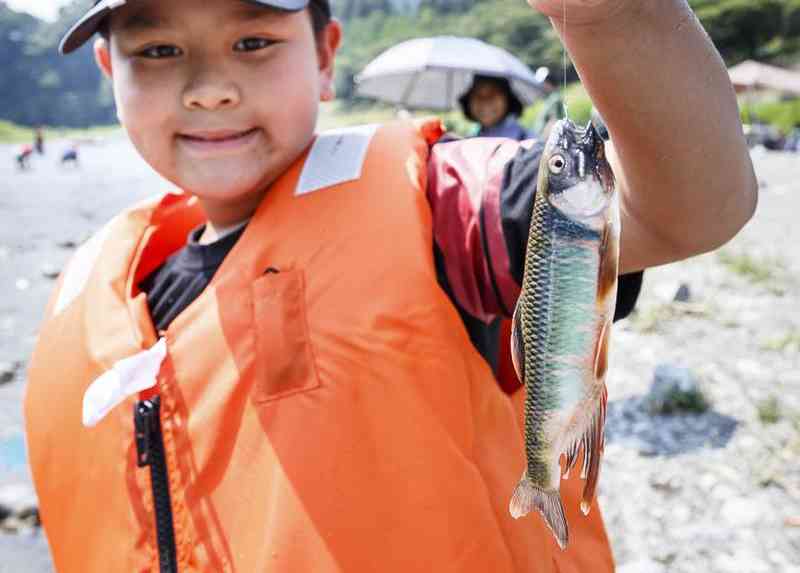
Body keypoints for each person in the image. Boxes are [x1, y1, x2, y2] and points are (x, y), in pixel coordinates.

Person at [24, 1, 756, 572]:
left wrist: (605, 14)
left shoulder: (446, 205)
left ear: (325, 58)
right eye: (157, 50)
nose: (209, 89)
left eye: (253, 42)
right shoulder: (108, 285)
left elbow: (684, 207)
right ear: (105, 69)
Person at [459, 74, 533, 140]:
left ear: (508, 98)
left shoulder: (527, 142)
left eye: (493, 94)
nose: (485, 102)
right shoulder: (469, 142)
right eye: (478, 95)